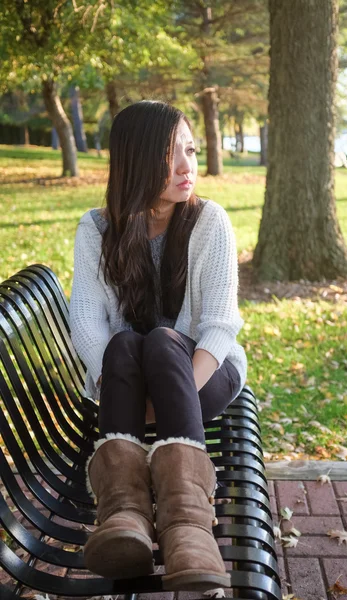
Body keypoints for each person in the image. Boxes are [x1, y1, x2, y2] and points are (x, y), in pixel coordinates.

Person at [70, 101, 247, 591]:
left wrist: (166, 395)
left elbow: (218, 326)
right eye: (170, 154)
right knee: (127, 341)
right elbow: (87, 323)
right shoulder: (97, 229)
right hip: (127, 381)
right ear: (135, 160)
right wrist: (122, 388)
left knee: (164, 342)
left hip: (206, 373)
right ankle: (124, 516)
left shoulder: (210, 222)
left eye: (189, 150)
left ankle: (189, 528)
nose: (187, 166)